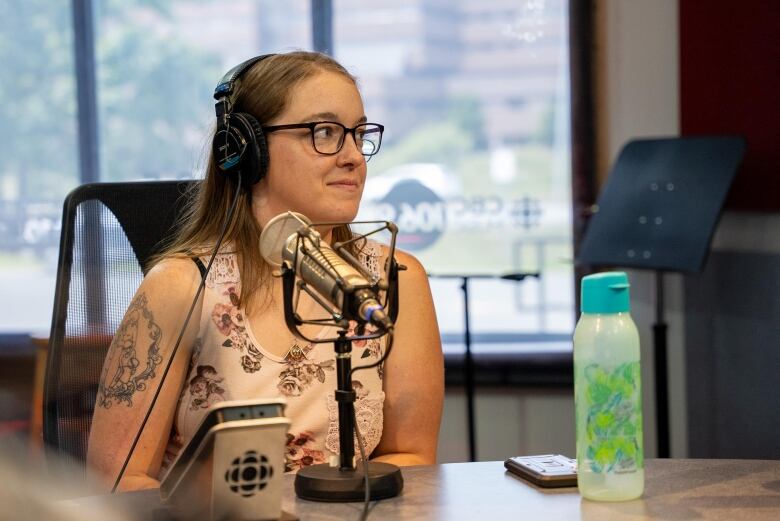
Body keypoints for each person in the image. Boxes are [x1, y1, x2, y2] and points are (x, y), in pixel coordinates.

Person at [86, 51, 444, 491]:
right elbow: (115, 482)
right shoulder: (181, 286)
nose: (353, 156)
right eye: (325, 132)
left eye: (358, 133)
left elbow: (412, 459)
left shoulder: (395, 280)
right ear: (248, 151)